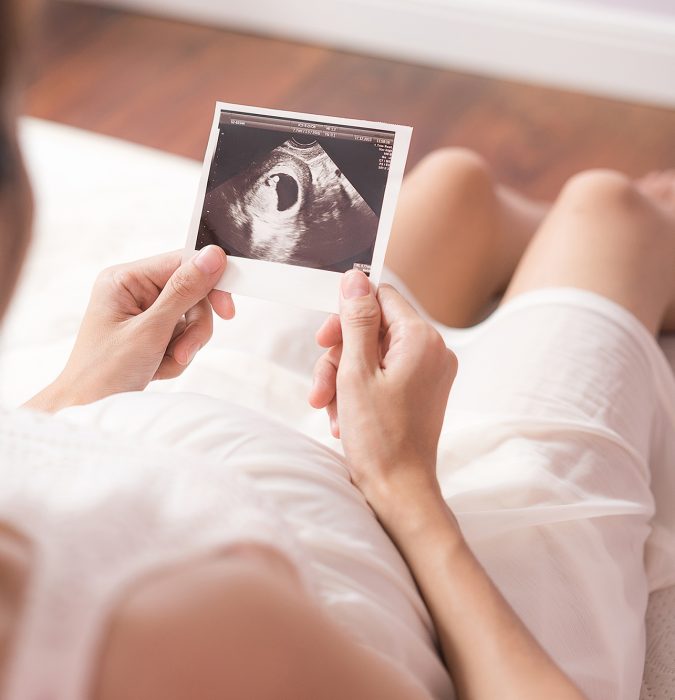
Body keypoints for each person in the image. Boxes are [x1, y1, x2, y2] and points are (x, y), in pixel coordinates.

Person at [1, 1, 674, 698]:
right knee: (608, 210)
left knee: (453, 187)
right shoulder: (165, 626)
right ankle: (632, 246)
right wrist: (402, 482)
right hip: (437, 573)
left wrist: (75, 392)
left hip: (183, 428)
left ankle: (553, 243)